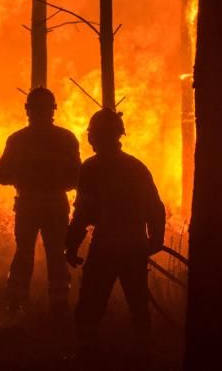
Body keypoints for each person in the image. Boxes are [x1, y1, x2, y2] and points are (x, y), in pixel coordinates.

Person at [65, 108, 166, 359]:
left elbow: (83, 212)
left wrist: (71, 245)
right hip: (134, 242)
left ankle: (87, 355)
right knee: (138, 302)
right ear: (119, 135)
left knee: (90, 302)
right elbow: (156, 207)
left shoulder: (91, 168)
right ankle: (145, 354)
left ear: (94, 138)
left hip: (107, 243)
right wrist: (155, 240)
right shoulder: (136, 167)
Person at [0, 87, 81, 314]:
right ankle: (59, 304)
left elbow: (1, 176)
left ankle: (16, 302)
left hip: (27, 205)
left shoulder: (17, 139)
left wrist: (20, 176)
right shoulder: (66, 138)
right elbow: (76, 178)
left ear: (27, 110)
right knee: (56, 253)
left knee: (23, 252)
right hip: (55, 205)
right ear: (53, 109)